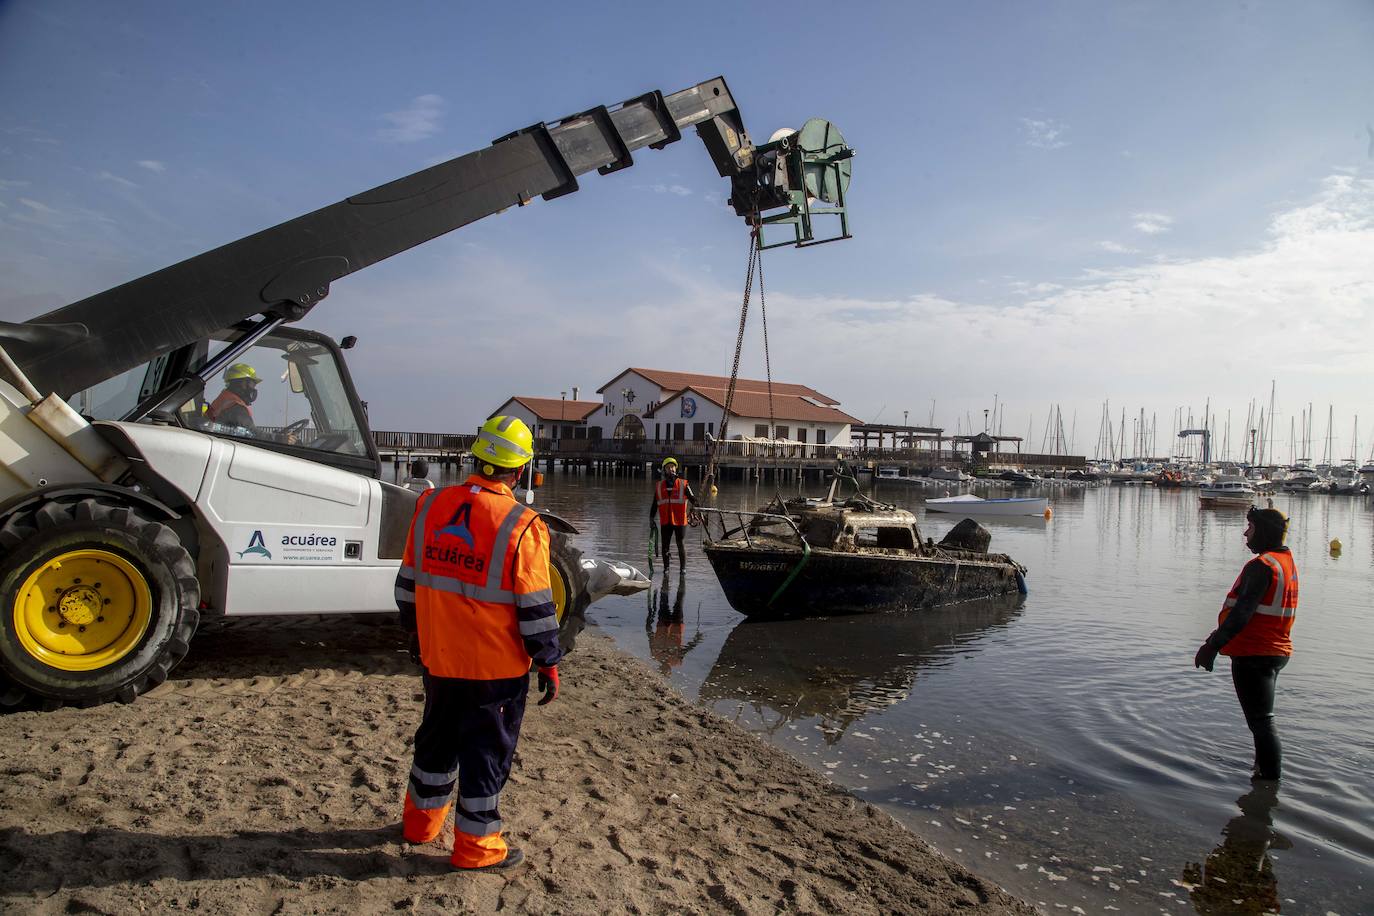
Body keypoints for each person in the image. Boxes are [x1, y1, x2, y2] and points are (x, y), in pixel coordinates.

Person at [394, 415, 561, 871]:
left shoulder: (428, 506)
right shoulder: (524, 525)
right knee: (485, 755)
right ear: (521, 470)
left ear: (476, 457)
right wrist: (548, 661)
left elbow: (407, 586)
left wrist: (416, 633)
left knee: (435, 743)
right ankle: (476, 849)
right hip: (495, 671)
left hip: (439, 658)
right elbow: (535, 609)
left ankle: (419, 825)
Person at [1194, 506, 1297, 782]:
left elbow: (1242, 613)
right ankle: (1260, 775)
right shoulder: (1283, 562)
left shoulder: (1261, 566)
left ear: (1262, 531)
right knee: (1261, 720)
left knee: (1261, 721)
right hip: (1274, 651)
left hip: (1255, 652)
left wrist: (1211, 646)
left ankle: (1267, 784)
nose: (1245, 532)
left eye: (1250, 527)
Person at [648, 457, 699, 571]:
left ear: (676, 469)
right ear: (664, 470)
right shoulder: (659, 486)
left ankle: (682, 570)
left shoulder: (684, 484)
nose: (670, 469)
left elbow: (693, 500)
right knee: (665, 545)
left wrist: (694, 508)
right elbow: (654, 505)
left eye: (672, 467)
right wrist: (651, 519)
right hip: (666, 521)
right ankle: (666, 569)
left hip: (680, 521)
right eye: (668, 467)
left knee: (680, 544)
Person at [205, 362, 260, 430]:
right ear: (241, 383)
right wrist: (273, 437)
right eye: (252, 384)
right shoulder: (236, 407)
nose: (253, 388)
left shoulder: (224, 398)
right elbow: (253, 433)